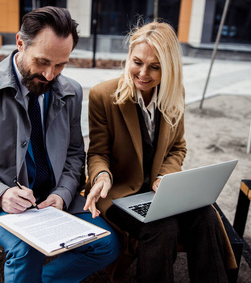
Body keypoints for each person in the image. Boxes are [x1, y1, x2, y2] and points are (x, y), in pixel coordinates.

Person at [0, 6, 120, 283]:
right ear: (20, 43)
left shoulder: (72, 91)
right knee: (26, 250)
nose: (50, 75)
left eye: (60, 65)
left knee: (108, 244)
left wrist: (62, 194)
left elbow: (74, 153)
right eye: (42, 62)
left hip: (55, 200)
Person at [84, 21, 236, 282]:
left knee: (207, 216)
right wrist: (102, 176)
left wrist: (164, 178)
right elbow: (98, 153)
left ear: (169, 69)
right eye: (137, 62)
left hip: (159, 191)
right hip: (118, 191)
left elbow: (178, 147)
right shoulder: (103, 96)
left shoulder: (175, 94)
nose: (143, 73)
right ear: (129, 56)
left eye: (155, 67)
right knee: (162, 227)